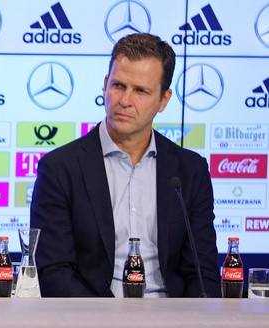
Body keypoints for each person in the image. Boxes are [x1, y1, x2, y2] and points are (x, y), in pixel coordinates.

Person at [30, 33, 221, 297]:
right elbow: (54, 271)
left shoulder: (190, 171)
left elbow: (203, 273)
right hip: (92, 318)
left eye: (140, 90)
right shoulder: (60, 168)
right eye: (119, 85)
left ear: (164, 100)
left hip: (173, 317)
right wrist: (110, 320)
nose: (125, 100)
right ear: (105, 85)